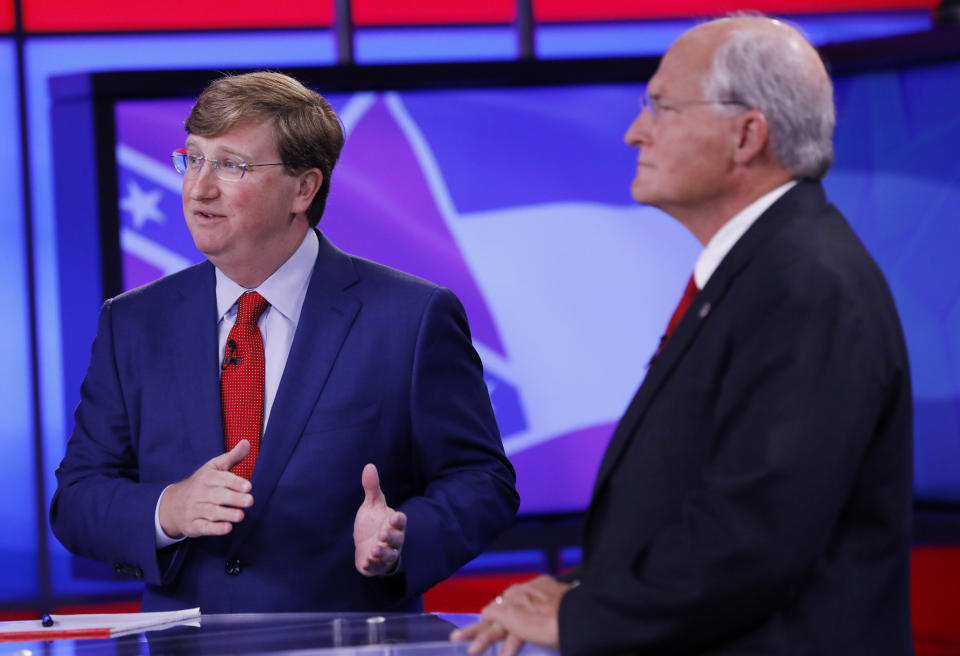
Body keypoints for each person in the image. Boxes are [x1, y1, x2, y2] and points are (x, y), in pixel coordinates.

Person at [453, 15, 913, 656]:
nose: (634, 130)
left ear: (747, 135)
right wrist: (577, 590)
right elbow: (691, 497)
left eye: (662, 107)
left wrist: (584, 618)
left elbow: (758, 529)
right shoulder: (764, 268)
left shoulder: (806, 284)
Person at [50, 71, 519, 613]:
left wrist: (401, 540)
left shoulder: (410, 318)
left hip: (348, 643)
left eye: (231, 165)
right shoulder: (133, 322)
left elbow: (482, 481)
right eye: (194, 158)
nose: (199, 187)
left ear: (304, 188)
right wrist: (169, 509)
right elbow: (78, 497)